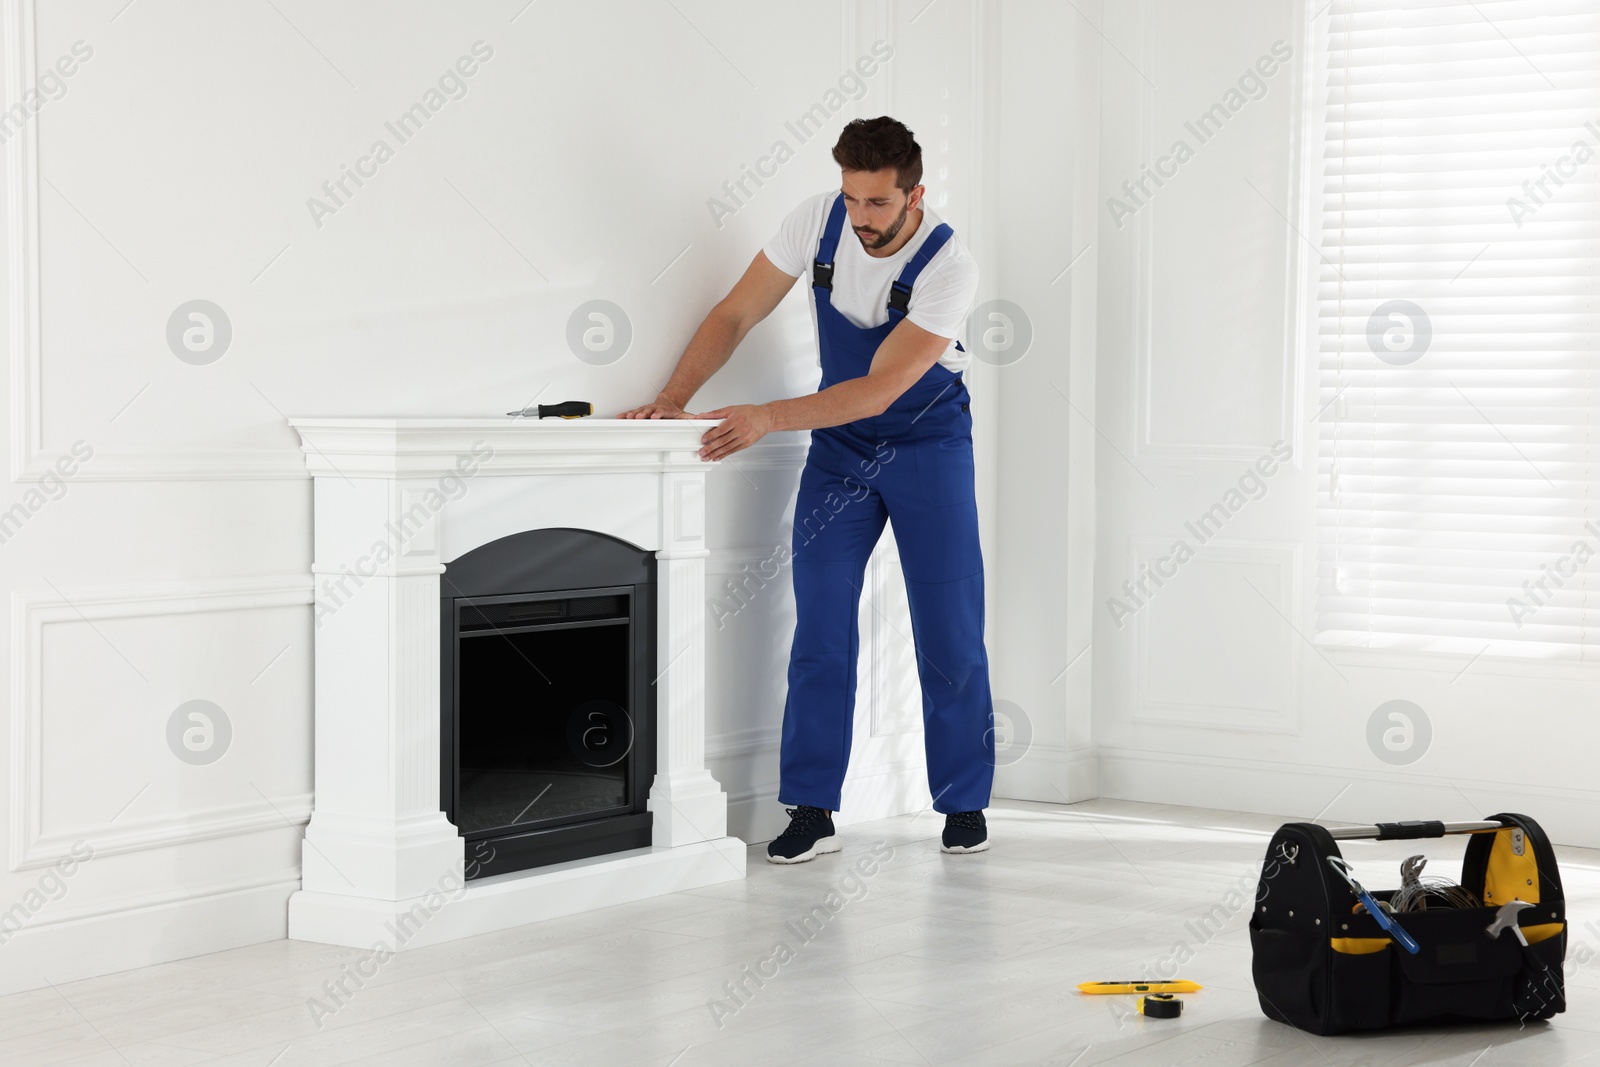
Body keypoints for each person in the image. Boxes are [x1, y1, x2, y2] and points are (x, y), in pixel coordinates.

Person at [621, 116, 994, 862]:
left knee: (948, 632)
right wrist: (672, 395)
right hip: (839, 452)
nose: (861, 219)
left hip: (927, 444)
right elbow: (736, 312)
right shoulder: (816, 222)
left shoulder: (951, 265)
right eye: (852, 199)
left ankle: (962, 802)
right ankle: (812, 809)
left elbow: (881, 388)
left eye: (878, 203)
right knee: (821, 630)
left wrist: (766, 416)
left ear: (914, 194)